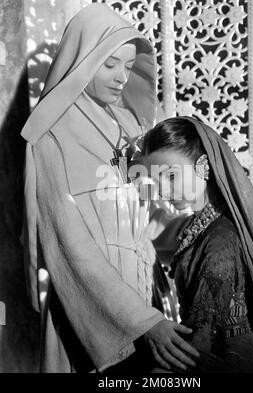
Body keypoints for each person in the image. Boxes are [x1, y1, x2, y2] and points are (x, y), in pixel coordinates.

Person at [20, 4, 199, 373]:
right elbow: (71, 247)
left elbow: (149, 220)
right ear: (84, 60)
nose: (121, 77)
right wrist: (140, 321)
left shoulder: (125, 131)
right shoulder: (50, 139)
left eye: (129, 67)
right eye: (110, 63)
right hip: (94, 318)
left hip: (148, 308)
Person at [141, 116, 253, 373]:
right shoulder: (199, 225)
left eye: (171, 176)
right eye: (155, 180)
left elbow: (208, 335)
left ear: (204, 166)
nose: (162, 191)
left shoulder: (221, 239)